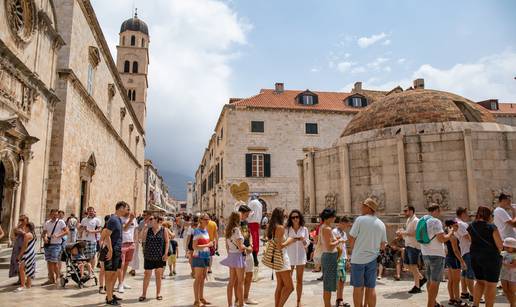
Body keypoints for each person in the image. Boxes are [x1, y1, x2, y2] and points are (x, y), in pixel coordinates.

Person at [349, 198, 387, 307]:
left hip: (358, 259)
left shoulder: (360, 220)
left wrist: (355, 250)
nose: (361, 208)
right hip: (372, 260)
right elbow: (383, 245)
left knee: (358, 287)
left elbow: (351, 239)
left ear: (368, 208)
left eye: (363, 206)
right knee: (371, 288)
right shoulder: (381, 224)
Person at [467, 206, 503, 307]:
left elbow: (471, 240)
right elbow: (499, 245)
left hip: (475, 257)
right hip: (490, 258)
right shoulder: (491, 227)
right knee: (491, 285)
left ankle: (475, 305)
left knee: (479, 282)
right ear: (488, 215)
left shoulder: (471, 226)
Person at [101, 201, 130, 305]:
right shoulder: (113, 219)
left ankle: (110, 294)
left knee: (115, 273)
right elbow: (107, 234)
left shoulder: (118, 219)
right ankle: (109, 299)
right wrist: (110, 250)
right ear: (121, 208)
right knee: (110, 275)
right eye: (126, 208)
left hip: (117, 249)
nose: (127, 211)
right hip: (112, 250)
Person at [267, 207, 296, 307]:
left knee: (280, 285)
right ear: (280, 216)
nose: (285, 217)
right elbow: (280, 246)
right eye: (284, 215)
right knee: (290, 287)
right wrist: (290, 240)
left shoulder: (272, 227)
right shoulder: (279, 228)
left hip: (276, 258)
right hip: (282, 258)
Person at [139, 215, 169, 302]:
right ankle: (143, 294)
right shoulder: (148, 230)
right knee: (147, 274)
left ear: (157, 220)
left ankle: (158, 293)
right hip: (148, 256)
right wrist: (144, 228)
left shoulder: (164, 230)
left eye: (152, 219)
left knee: (158, 275)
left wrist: (166, 253)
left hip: (160, 256)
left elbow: (167, 242)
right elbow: (141, 238)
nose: (150, 220)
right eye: (149, 219)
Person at [397, 205, 426, 293]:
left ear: (411, 211)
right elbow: (407, 231)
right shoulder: (408, 220)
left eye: (406, 211)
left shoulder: (416, 221)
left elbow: (416, 233)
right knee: (406, 265)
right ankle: (421, 278)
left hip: (414, 245)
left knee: (413, 265)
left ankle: (417, 287)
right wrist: (401, 232)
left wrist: (404, 232)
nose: (405, 213)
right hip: (408, 244)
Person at [221, 211, 246, 307]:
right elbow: (240, 247)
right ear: (237, 219)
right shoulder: (236, 230)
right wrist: (247, 248)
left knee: (231, 282)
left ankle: (230, 304)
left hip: (231, 255)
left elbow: (227, 246)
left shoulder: (228, 230)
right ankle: (241, 304)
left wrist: (230, 254)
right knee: (240, 282)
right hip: (238, 256)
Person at [235, 204, 258, 305]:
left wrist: (251, 245)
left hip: (249, 251)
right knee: (239, 278)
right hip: (240, 252)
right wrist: (245, 248)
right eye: (247, 214)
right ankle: (237, 299)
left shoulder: (245, 223)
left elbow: (249, 235)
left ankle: (245, 297)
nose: (248, 216)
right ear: (242, 213)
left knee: (249, 274)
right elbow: (234, 239)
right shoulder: (235, 224)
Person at [286, 209, 309, 307]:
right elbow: (284, 242)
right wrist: (294, 239)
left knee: (299, 279)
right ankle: (284, 299)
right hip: (289, 256)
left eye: (297, 217)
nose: (295, 219)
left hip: (300, 256)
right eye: (293, 217)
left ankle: (298, 301)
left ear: (300, 218)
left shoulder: (304, 229)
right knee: (287, 279)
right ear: (290, 219)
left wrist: (304, 241)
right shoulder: (287, 229)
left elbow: (307, 243)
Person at [319, 208, 342, 307]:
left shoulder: (324, 227)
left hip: (329, 256)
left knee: (328, 283)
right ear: (329, 217)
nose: (334, 218)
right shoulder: (327, 228)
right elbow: (329, 246)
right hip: (329, 256)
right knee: (328, 284)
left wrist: (335, 240)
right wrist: (339, 240)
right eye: (333, 216)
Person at [444, 219, 468, 307]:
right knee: (456, 281)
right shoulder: (453, 237)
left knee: (450, 280)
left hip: (449, 258)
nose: (457, 227)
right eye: (456, 225)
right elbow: (456, 250)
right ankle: (457, 300)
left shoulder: (446, 235)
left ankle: (452, 299)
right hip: (454, 259)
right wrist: (462, 261)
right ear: (451, 226)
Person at [42, 209, 69, 286]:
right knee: (49, 262)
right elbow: (44, 233)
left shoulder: (61, 222)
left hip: (56, 245)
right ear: (50, 215)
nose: (54, 216)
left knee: (55, 262)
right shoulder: (47, 223)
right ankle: (51, 279)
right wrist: (45, 238)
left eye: (56, 214)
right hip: (48, 245)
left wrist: (58, 235)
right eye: (53, 214)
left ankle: (57, 278)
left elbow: (67, 231)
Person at [192, 213, 213, 307]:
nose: (208, 221)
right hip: (198, 256)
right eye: (205, 219)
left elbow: (205, 243)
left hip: (205, 256)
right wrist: (207, 245)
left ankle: (201, 297)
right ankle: (196, 301)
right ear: (200, 220)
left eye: (208, 219)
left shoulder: (206, 230)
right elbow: (194, 246)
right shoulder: (197, 231)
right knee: (198, 278)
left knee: (203, 278)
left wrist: (211, 244)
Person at [454, 207, 475, 302]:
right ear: (462, 213)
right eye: (466, 213)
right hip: (468, 250)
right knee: (469, 273)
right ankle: (473, 295)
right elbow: (468, 237)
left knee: (465, 272)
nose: (468, 215)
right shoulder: (461, 224)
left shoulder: (456, 223)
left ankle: (464, 292)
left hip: (464, 250)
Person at [117, 206, 137, 293]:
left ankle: (122, 282)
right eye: (127, 209)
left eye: (129, 209)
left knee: (126, 265)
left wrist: (135, 242)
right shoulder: (120, 219)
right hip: (122, 244)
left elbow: (135, 231)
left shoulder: (134, 220)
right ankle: (120, 284)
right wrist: (131, 219)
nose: (128, 211)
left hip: (131, 243)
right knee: (121, 265)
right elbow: (124, 229)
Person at [333, 216, 352, 307]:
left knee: (343, 279)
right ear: (341, 223)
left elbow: (345, 247)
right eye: (346, 225)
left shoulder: (343, 233)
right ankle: (339, 300)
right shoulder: (334, 231)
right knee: (340, 279)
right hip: (338, 258)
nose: (347, 227)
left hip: (343, 258)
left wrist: (347, 257)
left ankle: (340, 299)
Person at [79, 207, 101, 278]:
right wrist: (81, 228)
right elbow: (80, 229)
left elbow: (100, 229)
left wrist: (91, 231)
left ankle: (92, 271)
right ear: (87, 212)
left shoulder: (97, 220)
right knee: (84, 256)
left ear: (94, 211)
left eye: (92, 211)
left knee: (92, 256)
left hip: (92, 240)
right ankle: (87, 270)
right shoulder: (84, 220)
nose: (90, 212)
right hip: (84, 240)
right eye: (89, 211)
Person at [14, 222, 36, 292]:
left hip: (27, 254)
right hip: (31, 253)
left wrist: (20, 255)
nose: (24, 228)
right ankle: (29, 285)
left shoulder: (27, 235)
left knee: (21, 268)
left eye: (25, 227)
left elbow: (24, 246)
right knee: (29, 269)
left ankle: (22, 285)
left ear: (28, 227)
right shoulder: (33, 234)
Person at [248, 193, 263, 281]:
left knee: (250, 244)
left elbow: (249, 214)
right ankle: (255, 275)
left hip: (251, 225)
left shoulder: (251, 203)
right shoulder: (260, 203)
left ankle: (251, 273)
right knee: (255, 246)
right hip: (257, 225)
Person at [9, 215, 28, 282]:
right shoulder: (17, 228)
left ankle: (24, 279)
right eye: (20, 220)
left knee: (24, 263)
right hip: (17, 247)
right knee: (17, 263)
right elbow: (13, 236)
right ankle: (20, 279)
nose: (21, 221)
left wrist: (23, 232)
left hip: (25, 246)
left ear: (26, 220)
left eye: (23, 220)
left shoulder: (28, 227)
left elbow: (29, 235)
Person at [500, 237, 516, 307]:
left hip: (512, 276)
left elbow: (513, 265)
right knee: (505, 290)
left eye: (508, 247)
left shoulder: (515, 255)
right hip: (503, 274)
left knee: (512, 291)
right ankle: (512, 302)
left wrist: (502, 263)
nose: (506, 248)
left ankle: (513, 304)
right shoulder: (502, 253)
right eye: (506, 247)